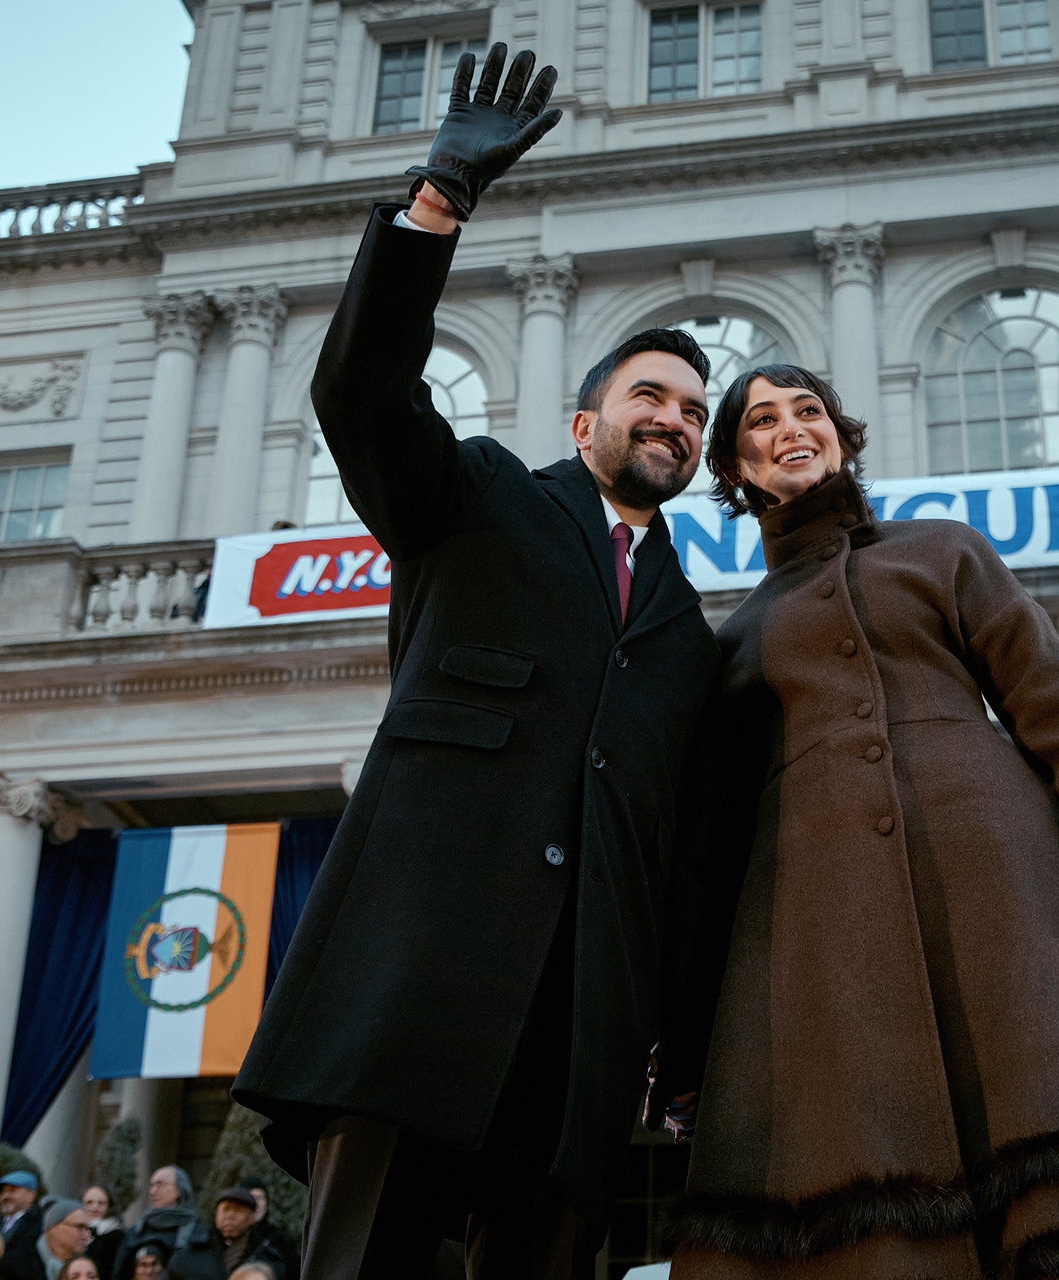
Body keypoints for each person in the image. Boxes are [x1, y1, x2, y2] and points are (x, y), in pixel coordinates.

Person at [232, 41, 719, 1280]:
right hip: (415, 1004)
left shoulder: (686, 626)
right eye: (650, 394)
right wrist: (434, 206)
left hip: (575, 1055)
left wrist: (678, 1029)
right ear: (585, 420)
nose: (672, 417)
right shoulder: (480, 499)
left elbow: (680, 839)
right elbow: (365, 394)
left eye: (692, 412)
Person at [650, 365, 1059, 1280]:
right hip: (819, 936)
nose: (792, 428)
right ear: (737, 464)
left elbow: (1058, 706)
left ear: (839, 435)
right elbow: (707, 855)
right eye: (763, 419)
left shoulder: (943, 551)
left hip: (1005, 890)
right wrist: (687, 1041)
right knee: (855, 1183)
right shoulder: (731, 641)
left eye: (809, 412)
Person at [164, 1189, 291, 1280]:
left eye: (238, 1210)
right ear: (216, 1215)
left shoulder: (269, 1260)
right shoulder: (191, 1255)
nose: (230, 1216)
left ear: (253, 1217)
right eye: (225, 1209)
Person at [111, 1173, 194, 1280]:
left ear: (179, 1190)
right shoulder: (134, 1232)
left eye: (160, 1185)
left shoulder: (197, 1233)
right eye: (142, 1266)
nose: (152, 1191)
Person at [0, 1175, 41, 1263]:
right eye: (3, 1191)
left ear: (31, 1195)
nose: (5, 1196)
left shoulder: (39, 1225)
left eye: (12, 1190)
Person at [75, 1191, 119, 1280]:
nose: (95, 1208)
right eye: (89, 1203)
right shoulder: (71, 1231)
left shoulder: (117, 1237)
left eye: (101, 1203)